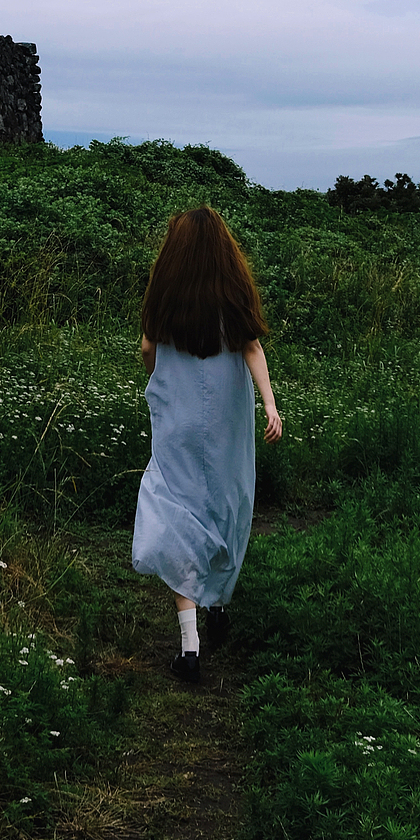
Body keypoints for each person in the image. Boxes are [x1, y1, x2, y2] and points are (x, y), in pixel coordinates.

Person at [131, 204, 282, 685]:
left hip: (178, 418)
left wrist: (160, 380)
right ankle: (217, 601)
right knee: (224, 501)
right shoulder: (231, 293)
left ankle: (190, 645)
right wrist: (271, 405)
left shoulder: (166, 294)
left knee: (175, 506)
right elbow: (253, 348)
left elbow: (148, 351)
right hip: (225, 417)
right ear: (224, 251)